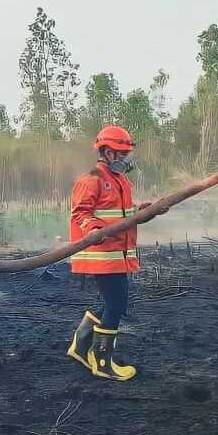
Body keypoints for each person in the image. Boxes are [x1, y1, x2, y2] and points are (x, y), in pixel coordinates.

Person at [66, 125, 163, 381]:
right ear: (107, 152)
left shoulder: (120, 181)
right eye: (121, 153)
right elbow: (80, 213)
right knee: (116, 304)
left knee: (111, 303)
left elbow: (122, 217)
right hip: (102, 256)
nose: (126, 158)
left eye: (126, 153)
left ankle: (81, 347)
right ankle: (103, 362)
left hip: (116, 254)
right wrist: (95, 229)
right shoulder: (91, 179)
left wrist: (144, 212)